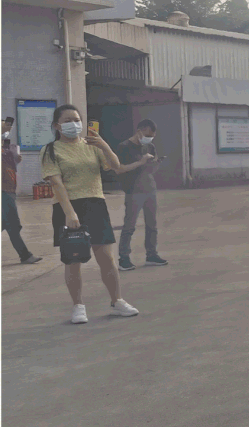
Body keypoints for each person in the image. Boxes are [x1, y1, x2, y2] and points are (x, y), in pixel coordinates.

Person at [41, 104, 152, 324]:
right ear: (56, 126)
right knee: (73, 260)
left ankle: (117, 301)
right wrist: (70, 213)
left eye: (77, 119)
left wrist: (103, 144)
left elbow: (116, 166)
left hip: (95, 204)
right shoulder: (51, 150)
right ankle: (78, 306)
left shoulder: (91, 145)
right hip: (67, 208)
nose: (74, 124)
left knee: (107, 259)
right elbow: (57, 184)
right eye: (68, 120)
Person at [115, 119, 167, 271]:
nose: (149, 138)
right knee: (129, 226)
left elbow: (150, 170)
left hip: (150, 188)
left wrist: (155, 164)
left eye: (152, 136)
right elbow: (120, 169)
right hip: (133, 191)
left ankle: (152, 255)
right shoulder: (124, 147)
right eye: (147, 135)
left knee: (152, 225)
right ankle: (124, 258)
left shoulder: (150, 146)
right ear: (139, 131)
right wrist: (141, 161)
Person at [2, 117, 42, 264]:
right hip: (3, 191)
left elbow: (11, 166)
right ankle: (25, 255)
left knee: (9, 224)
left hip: (9, 189)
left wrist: (15, 158)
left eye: (9, 127)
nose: (7, 129)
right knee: (12, 224)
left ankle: (25, 255)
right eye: (5, 126)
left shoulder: (8, 146)